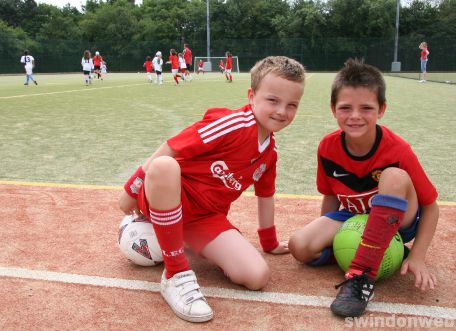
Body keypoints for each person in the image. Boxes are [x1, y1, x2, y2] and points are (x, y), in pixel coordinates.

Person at [119, 56, 306, 323]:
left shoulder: (270, 154)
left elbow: (265, 196)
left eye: (292, 105)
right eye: (273, 100)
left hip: (204, 217)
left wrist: (269, 242)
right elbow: (172, 146)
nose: (281, 111)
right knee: (164, 166)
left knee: (256, 276)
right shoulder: (232, 123)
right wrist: (132, 189)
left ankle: (176, 235)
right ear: (252, 96)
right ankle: (175, 272)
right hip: (169, 194)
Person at [288, 58, 439, 318]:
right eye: (345, 108)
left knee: (393, 176)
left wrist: (418, 255)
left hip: (399, 223)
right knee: (299, 246)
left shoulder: (397, 149)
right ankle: (373, 251)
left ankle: (361, 276)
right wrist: (322, 232)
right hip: (354, 218)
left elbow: (431, 206)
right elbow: (331, 197)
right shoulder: (327, 147)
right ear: (333, 109)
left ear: (381, 109)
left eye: (366, 108)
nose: (355, 116)